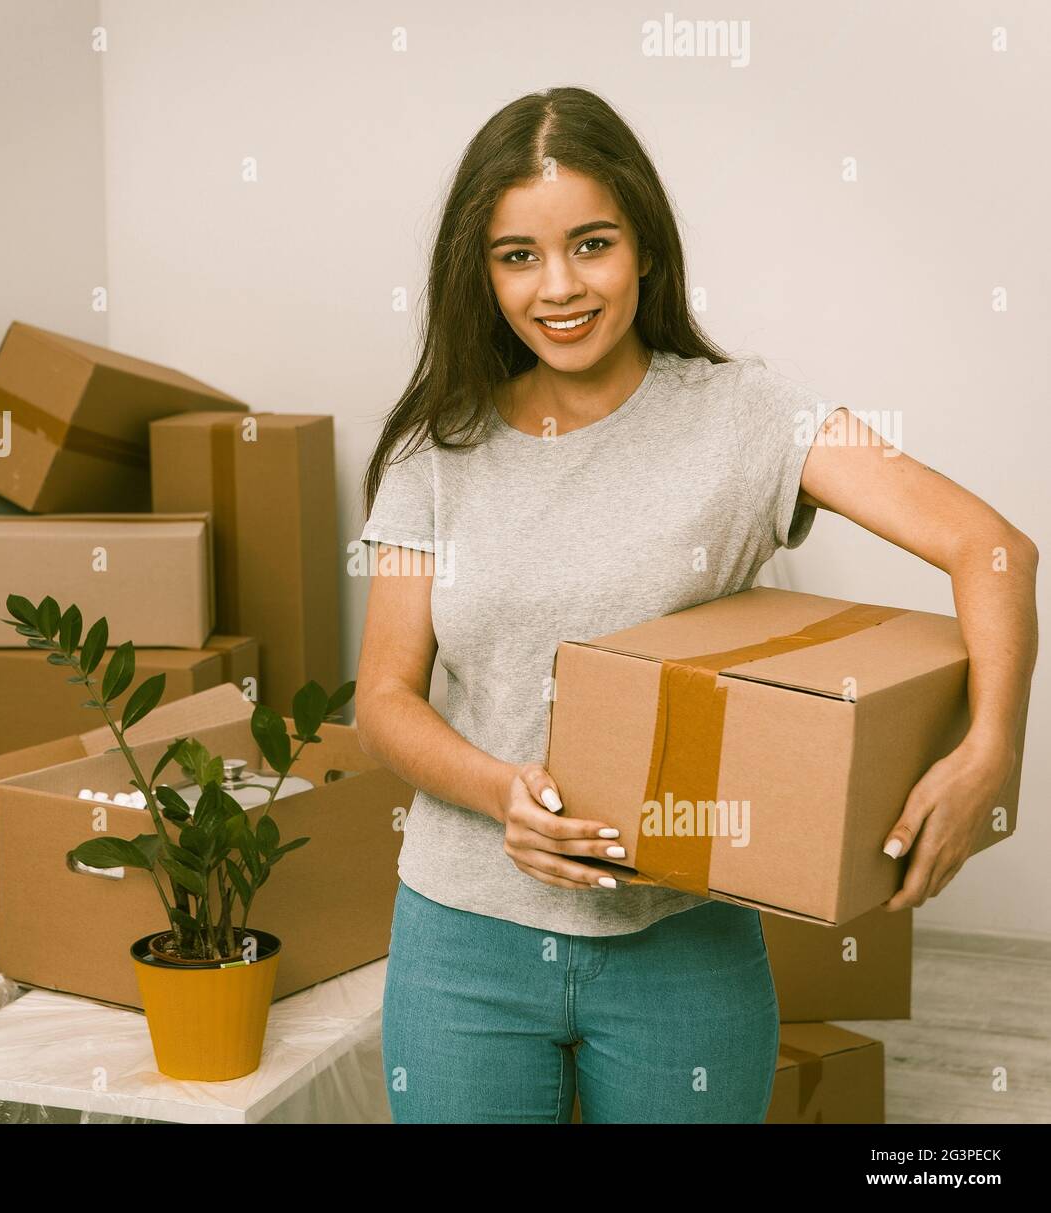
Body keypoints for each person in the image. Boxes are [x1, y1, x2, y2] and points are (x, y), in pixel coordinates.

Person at [352, 87, 1038, 1124]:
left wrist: (989, 748)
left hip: (682, 941)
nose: (560, 287)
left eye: (592, 244)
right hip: (465, 940)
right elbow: (384, 700)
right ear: (478, 271)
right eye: (518, 256)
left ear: (645, 248)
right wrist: (502, 795)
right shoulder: (434, 449)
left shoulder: (746, 417)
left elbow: (991, 547)